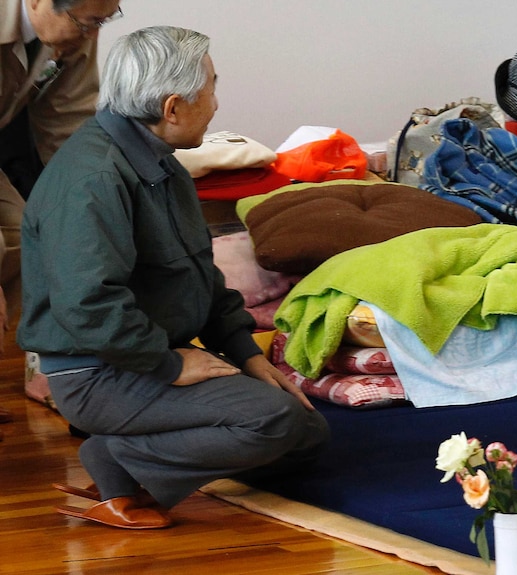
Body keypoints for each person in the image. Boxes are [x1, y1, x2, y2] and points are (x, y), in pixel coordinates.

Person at [17, 25, 330, 529]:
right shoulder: (93, 179)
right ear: (172, 108)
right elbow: (88, 306)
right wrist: (166, 365)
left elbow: (201, 276)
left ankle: (131, 453)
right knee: (274, 420)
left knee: (308, 434)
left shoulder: (163, 166)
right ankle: (116, 462)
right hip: (99, 372)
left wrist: (245, 354)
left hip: (145, 357)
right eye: (211, 87)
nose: (216, 102)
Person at [0, 0, 122, 437]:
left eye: (102, 22)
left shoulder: (73, 29)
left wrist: (87, 214)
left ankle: (65, 382)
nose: (92, 35)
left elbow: (68, 127)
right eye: (86, 22)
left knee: (24, 238)